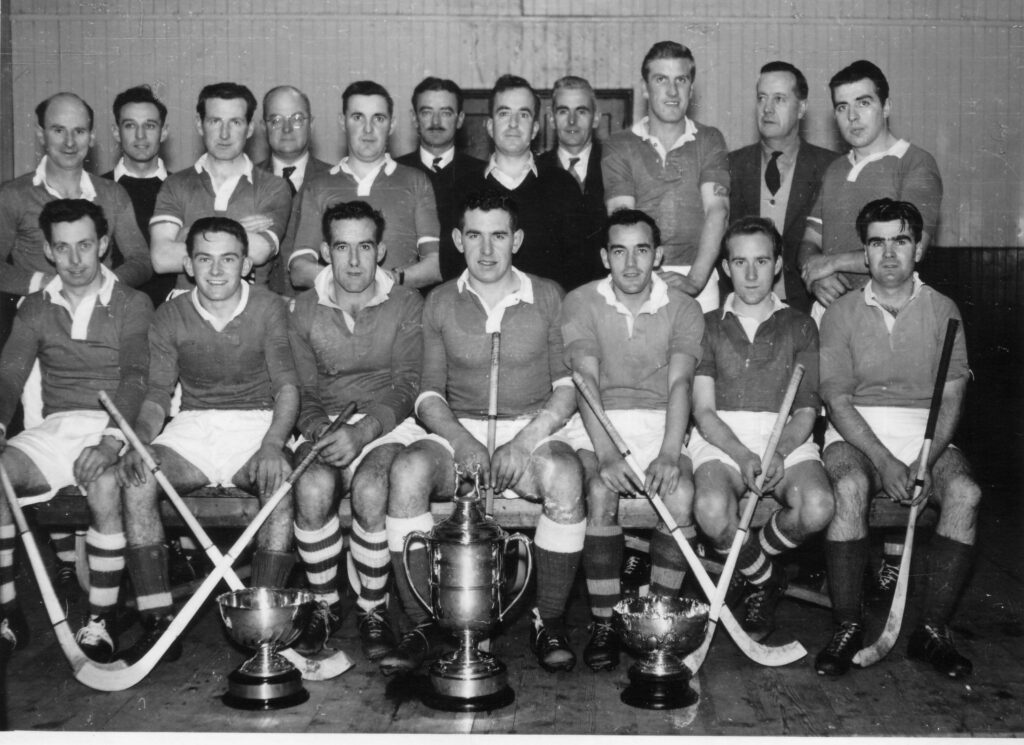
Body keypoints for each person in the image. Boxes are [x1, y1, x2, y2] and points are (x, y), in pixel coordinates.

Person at [383, 193, 586, 675]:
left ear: (516, 239)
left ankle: (549, 619)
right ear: (458, 240)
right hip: (462, 426)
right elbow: (429, 394)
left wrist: (523, 442)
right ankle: (424, 622)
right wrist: (462, 441)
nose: (487, 249)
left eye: (499, 235)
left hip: (529, 428)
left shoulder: (549, 295)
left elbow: (566, 388)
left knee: (564, 476)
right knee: (408, 471)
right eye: (475, 235)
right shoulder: (439, 301)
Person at [117, 216, 299, 664]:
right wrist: (138, 441)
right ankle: (159, 623)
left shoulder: (270, 307)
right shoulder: (170, 313)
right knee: (139, 477)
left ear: (246, 264)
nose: (217, 271)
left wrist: (273, 444)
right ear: (188, 264)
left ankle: (264, 627)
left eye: (228, 259)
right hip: (194, 424)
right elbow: (158, 395)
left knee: (279, 485)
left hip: (255, 423)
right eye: (205, 259)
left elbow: (288, 388)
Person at [816, 198, 979, 679]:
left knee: (966, 493)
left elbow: (951, 396)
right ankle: (847, 626)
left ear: (919, 249)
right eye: (877, 242)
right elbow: (838, 401)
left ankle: (931, 631)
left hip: (927, 441)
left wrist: (926, 461)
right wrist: (885, 462)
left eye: (900, 241)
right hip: (857, 437)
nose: (889, 254)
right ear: (864, 254)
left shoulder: (944, 310)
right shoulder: (840, 312)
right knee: (847, 487)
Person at [0, 199, 152, 662]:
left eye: (85, 246)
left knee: (106, 482)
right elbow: (9, 374)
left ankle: (100, 619)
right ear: (47, 250)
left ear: (104, 245)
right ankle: (8, 613)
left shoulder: (132, 302)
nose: (75, 259)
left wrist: (110, 440)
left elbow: (136, 378)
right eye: (62, 248)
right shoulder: (34, 306)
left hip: (112, 426)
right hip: (56, 428)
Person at [559, 208, 704, 671]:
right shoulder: (581, 301)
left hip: (663, 421)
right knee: (601, 489)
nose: (631, 264)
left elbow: (680, 385)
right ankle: (604, 620)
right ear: (605, 256)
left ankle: (654, 618)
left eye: (642, 250)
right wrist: (605, 454)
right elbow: (585, 381)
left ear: (658, 255)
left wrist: (668, 452)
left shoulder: (683, 307)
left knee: (679, 492)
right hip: (599, 419)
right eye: (619, 251)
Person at [287, 201, 423, 661]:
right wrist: (319, 428)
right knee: (310, 486)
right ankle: (326, 606)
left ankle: (372, 608)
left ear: (381, 251)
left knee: (370, 486)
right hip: (327, 426)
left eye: (364, 247)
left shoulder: (406, 302)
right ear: (325, 252)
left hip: (387, 426)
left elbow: (407, 386)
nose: (353, 261)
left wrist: (363, 434)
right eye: (341, 247)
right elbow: (301, 391)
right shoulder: (303, 309)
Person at [690, 216, 834, 642]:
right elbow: (703, 412)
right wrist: (742, 454)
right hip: (723, 439)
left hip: (786, 436)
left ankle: (748, 569)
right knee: (713, 511)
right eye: (740, 262)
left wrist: (779, 452)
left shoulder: (801, 324)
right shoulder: (707, 324)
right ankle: (766, 579)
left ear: (776, 265)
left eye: (761, 261)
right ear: (724, 268)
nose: (751, 273)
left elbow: (807, 412)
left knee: (819, 505)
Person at [798, 60, 943, 322]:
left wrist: (831, 263)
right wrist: (817, 279)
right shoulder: (835, 169)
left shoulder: (915, 163)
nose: (852, 116)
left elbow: (908, 249)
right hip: (830, 308)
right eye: (842, 107)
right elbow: (810, 241)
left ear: (886, 106)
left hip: (888, 309)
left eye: (863, 103)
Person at [603, 41, 730, 313]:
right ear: (645, 88)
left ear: (691, 88)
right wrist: (644, 278)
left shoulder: (710, 139)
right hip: (636, 274)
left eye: (681, 80)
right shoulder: (619, 144)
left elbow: (717, 211)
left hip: (700, 277)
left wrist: (695, 280)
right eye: (661, 79)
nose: (672, 91)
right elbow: (622, 218)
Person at [287, 81, 441, 291]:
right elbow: (299, 270)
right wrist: (354, 280)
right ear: (343, 122)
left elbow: (435, 265)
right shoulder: (318, 186)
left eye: (378, 118)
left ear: (392, 124)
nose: (368, 129)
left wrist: (388, 280)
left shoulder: (416, 181)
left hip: (398, 313)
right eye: (358, 117)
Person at [439, 75, 587, 290]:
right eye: (504, 113)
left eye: (523, 115)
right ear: (490, 126)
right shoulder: (462, 188)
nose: (513, 124)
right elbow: (451, 268)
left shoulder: (562, 185)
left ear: (535, 128)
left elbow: (580, 269)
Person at [0, 92, 152, 297]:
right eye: (58, 130)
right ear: (40, 133)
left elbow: (141, 259)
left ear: (91, 137)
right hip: (39, 314)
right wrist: (46, 283)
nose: (69, 142)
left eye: (79, 131)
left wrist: (106, 284)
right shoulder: (13, 195)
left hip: (100, 313)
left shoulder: (112, 193)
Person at [149, 82, 292, 292]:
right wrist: (238, 228)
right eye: (215, 121)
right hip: (187, 310)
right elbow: (161, 259)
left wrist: (185, 234)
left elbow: (260, 250)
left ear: (250, 128)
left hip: (249, 311)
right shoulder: (176, 184)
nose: (224, 134)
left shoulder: (273, 187)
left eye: (235, 122)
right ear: (200, 124)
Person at [727, 62, 838, 313]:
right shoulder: (730, 166)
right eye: (761, 98)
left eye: (779, 99)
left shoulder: (831, 168)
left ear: (801, 108)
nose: (767, 109)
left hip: (809, 309)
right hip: (743, 310)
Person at [395, 77, 486, 283]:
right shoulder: (394, 171)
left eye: (445, 113)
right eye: (427, 112)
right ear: (414, 118)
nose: (436, 122)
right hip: (405, 290)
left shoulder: (482, 175)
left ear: (460, 119)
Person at [103, 84, 175, 308]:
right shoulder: (94, 189)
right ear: (116, 131)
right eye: (130, 125)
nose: (141, 136)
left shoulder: (184, 188)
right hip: (112, 312)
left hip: (173, 314)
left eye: (150, 126)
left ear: (164, 131)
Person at [256, 85, 333, 295]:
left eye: (297, 119)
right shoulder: (245, 180)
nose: (287, 128)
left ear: (312, 124)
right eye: (276, 120)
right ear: (264, 127)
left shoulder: (336, 179)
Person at [536, 75, 607, 285]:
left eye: (581, 111)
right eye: (563, 111)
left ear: (596, 118)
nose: (572, 121)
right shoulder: (534, 170)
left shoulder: (616, 166)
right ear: (551, 119)